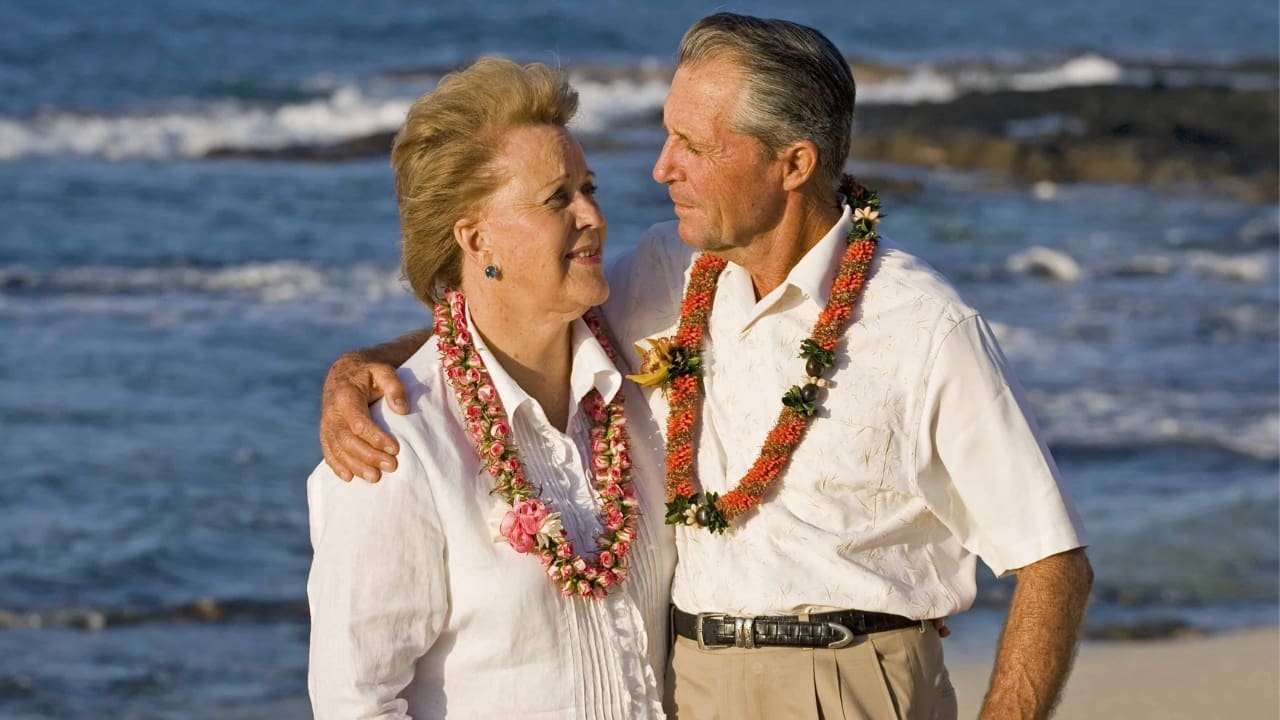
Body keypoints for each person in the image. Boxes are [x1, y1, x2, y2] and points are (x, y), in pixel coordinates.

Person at [321, 14, 1093, 720]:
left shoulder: (921, 326)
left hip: (854, 682)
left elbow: (1053, 560)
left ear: (792, 163)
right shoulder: (669, 276)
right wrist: (363, 367)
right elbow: (520, 310)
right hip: (693, 686)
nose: (661, 169)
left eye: (694, 145)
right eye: (667, 136)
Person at [305, 57, 675, 719]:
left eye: (589, 188)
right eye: (557, 198)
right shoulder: (397, 450)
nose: (592, 215)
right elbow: (355, 703)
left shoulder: (637, 374)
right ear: (477, 240)